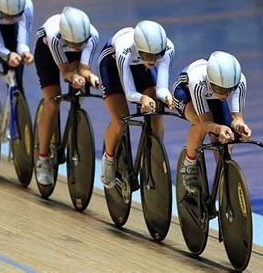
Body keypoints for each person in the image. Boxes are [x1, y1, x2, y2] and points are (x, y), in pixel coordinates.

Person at [98, 20, 175, 189]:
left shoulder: (166, 49)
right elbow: (130, 93)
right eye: (149, 56)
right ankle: (109, 158)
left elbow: (162, 88)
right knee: (120, 121)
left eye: (157, 55)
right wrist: (142, 99)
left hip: (140, 68)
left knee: (156, 114)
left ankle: (151, 156)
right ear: (138, 48)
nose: (154, 60)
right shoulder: (124, 49)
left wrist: (167, 96)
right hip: (112, 67)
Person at [34, 6, 100, 186]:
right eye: (75, 43)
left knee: (80, 85)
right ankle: (43, 158)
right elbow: (65, 72)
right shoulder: (54, 36)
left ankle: (74, 117)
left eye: (81, 43)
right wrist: (73, 76)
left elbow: (85, 70)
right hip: (47, 52)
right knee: (52, 100)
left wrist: (91, 77)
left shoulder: (92, 36)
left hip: (70, 51)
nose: (78, 46)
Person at [172, 51, 251, 193]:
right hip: (186, 93)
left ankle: (223, 181)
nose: (225, 94)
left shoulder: (239, 81)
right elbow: (206, 122)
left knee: (226, 141)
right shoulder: (198, 80)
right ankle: (189, 164)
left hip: (211, 97)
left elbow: (237, 118)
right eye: (221, 89)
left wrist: (240, 126)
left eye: (229, 90)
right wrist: (217, 128)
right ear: (210, 81)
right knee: (200, 124)